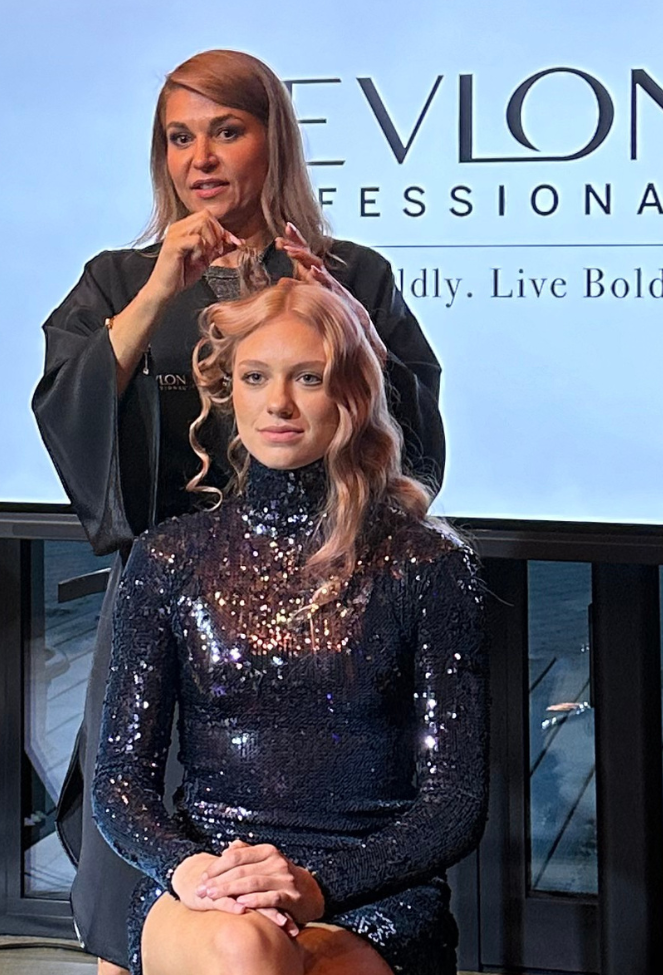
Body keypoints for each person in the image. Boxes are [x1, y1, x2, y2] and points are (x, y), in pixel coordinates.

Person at [32, 49, 445, 973]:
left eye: (227, 131)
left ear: (274, 141)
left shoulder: (354, 273)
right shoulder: (118, 280)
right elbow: (68, 413)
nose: (202, 158)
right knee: (143, 875)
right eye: (180, 138)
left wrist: (338, 313)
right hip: (170, 613)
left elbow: (410, 442)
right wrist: (157, 294)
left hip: (328, 613)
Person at [91, 275, 487, 975]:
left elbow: (455, 804)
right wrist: (193, 871)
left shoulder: (427, 565)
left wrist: (315, 887)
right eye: (255, 377)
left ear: (353, 394)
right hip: (211, 880)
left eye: (308, 377)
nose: (277, 402)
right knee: (245, 946)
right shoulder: (170, 557)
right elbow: (120, 781)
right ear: (229, 391)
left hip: (371, 891)